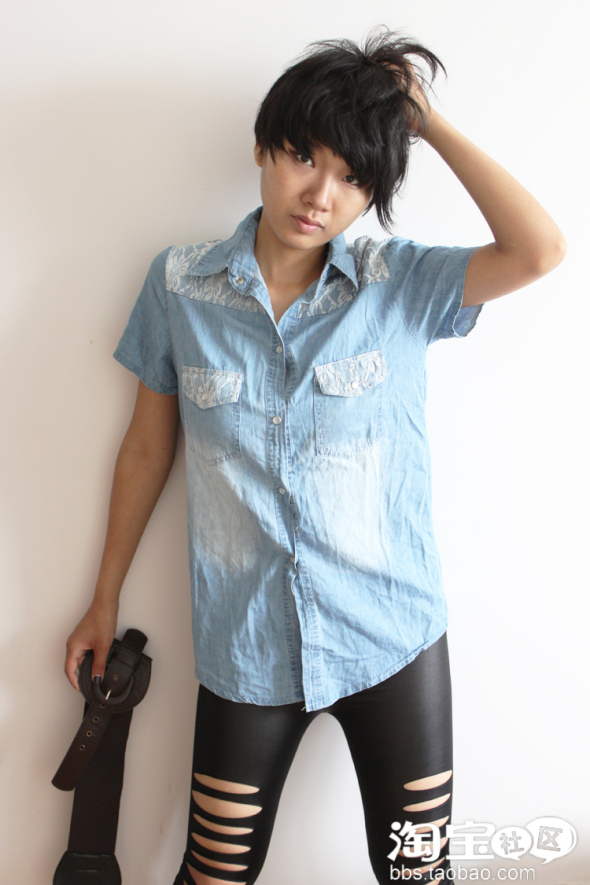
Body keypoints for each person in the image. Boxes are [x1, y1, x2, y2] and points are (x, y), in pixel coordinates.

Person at [63, 27, 566, 885]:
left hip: (392, 638)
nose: (320, 194)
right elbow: (148, 446)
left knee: (419, 873)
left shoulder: (398, 283)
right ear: (263, 146)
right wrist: (103, 597)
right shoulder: (180, 285)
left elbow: (540, 250)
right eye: (303, 156)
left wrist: (425, 123)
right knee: (214, 873)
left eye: (353, 176)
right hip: (246, 645)